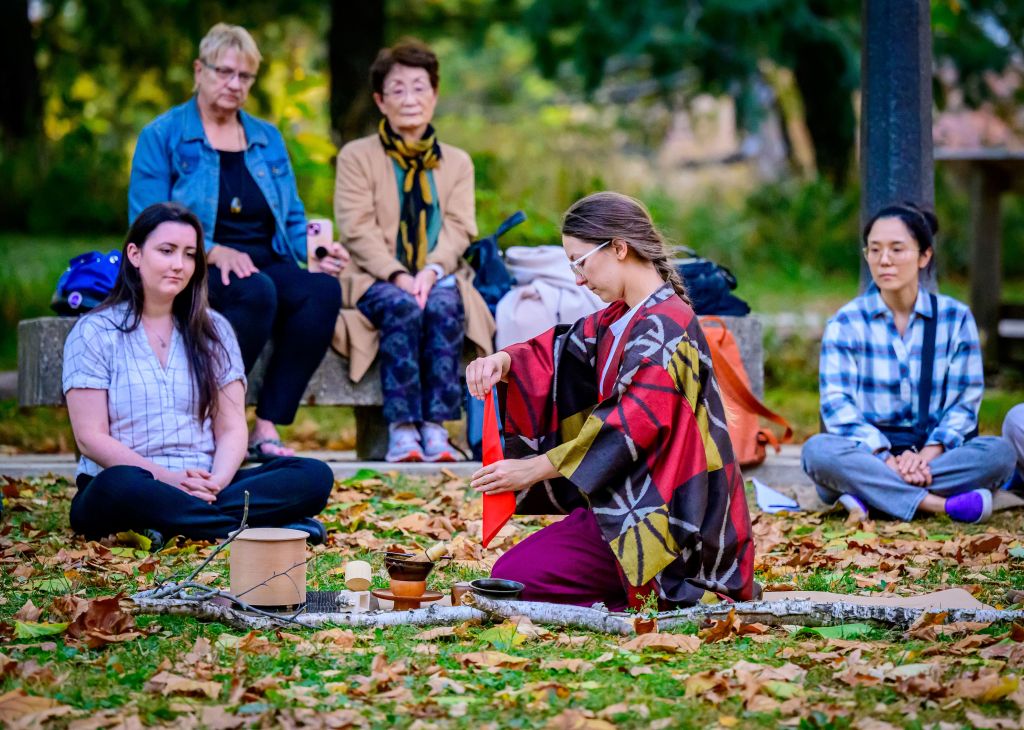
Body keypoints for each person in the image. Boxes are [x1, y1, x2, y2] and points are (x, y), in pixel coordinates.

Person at [465, 192, 754, 611]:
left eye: (580, 262)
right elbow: (562, 351)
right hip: (621, 501)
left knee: (513, 581)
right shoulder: (623, 314)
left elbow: (627, 425)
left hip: (667, 515)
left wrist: (531, 469)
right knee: (511, 578)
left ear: (619, 247)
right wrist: (504, 361)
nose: (578, 279)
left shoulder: (666, 326)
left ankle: (647, 589)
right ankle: (620, 591)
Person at [129, 23, 346, 462]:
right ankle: (214, 419)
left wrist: (317, 252)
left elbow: (291, 215)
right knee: (256, 291)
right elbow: (145, 219)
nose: (234, 84)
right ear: (199, 70)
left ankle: (266, 426)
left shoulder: (266, 138)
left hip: (265, 258)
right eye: (224, 72)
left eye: (244, 76)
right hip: (195, 264)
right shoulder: (163, 134)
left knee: (322, 291)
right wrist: (206, 250)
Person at [64, 203, 334, 546]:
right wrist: (167, 480)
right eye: (167, 251)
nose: (180, 264)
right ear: (134, 253)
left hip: (207, 484)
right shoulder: (95, 331)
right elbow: (91, 438)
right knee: (119, 488)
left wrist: (217, 481)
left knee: (313, 475)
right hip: (130, 482)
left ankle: (174, 523)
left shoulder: (215, 330)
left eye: (190, 254)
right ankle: (253, 530)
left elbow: (233, 426)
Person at [802, 202, 1015, 523]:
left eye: (897, 249)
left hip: (934, 454)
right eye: (874, 250)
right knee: (818, 452)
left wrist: (926, 456)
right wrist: (886, 460)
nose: (884, 260)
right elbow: (837, 405)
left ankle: (868, 496)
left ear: (924, 255)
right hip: (868, 453)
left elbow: (964, 403)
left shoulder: (955, 319)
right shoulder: (846, 322)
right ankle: (940, 505)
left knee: (999, 454)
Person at [333, 39, 494, 463]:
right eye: (398, 89)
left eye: (420, 87)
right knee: (402, 305)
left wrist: (432, 270)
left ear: (435, 96)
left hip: (440, 274)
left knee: (443, 303)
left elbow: (461, 227)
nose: (410, 99)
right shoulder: (356, 156)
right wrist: (399, 275)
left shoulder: (457, 162)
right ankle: (402, 431)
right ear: (380, 100)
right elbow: (356, 228)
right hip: (372, 276)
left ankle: (436, 429)